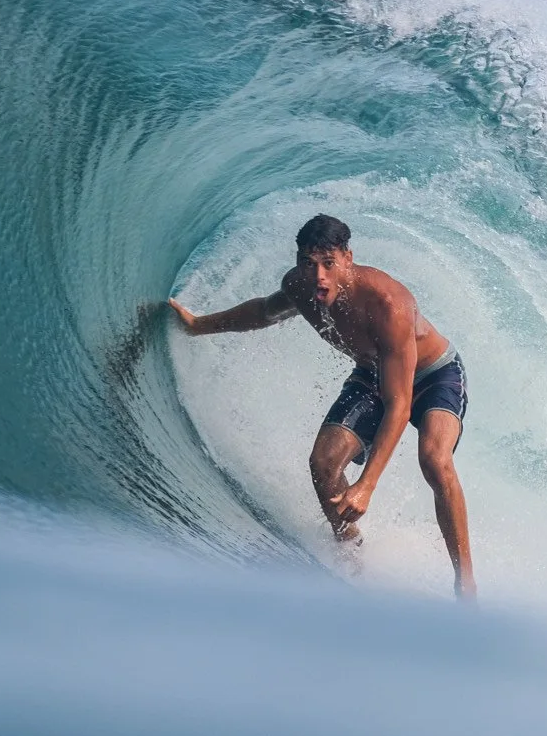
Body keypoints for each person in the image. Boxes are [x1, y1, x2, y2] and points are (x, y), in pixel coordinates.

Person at [168, 214, 476, 599]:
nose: (319, 276)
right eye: (309, 263)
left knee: (434, 459)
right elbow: (264, 311)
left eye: (329, 263)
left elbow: (398, 406)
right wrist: (198, 325)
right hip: (373, 372)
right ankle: (352, 553)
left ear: (348, 258)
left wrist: (366, 486)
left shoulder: (388, 304)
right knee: (324, 464)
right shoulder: (300, 287)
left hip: (436, 375)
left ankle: (465, 583)